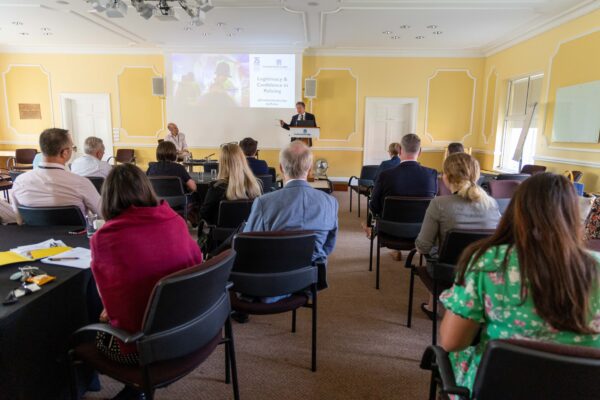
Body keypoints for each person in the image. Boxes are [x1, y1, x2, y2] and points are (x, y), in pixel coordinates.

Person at [439, 173, 600, 393]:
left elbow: (451, 342)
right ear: (573, 215)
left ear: (517, 211)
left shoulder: (490, 261)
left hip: (499, 387)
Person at [91, 164, 203, 400]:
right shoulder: (174, 219)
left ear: (108, 197)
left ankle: (122, 388)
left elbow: (111, 307)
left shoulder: (106, 237)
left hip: (143, 347)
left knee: (85, 323)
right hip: (193, 329)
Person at [242, 141, 338, 307]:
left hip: (272, 282)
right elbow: (328, 246)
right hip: (309, 279)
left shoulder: (263, 202)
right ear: (309, 169)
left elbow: (248, 247)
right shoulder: (330, 202)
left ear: (280, 168)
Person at [415, 153, 501, 319]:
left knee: (433, 254)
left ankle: (434, 307)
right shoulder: (492, 204)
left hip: (448, 273)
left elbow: (422, 246)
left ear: (447, 177)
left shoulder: (439, 204)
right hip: (484, 270)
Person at [10, 128, 101, 222]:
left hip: (34, 236)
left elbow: (18, 219)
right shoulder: (81, 183)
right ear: (65, 153)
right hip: (76, 235)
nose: (72, 150)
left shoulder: (20, 182)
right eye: (72, 148)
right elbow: (104, 214)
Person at [369, 133, 438, 216]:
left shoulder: (385, 175)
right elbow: (433, 204)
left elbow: (374, 206)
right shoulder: (432, 175)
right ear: (420, 152)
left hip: (389, 226)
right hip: (422, 227)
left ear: (399, 150)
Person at [199, 143, 262, 226]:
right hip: (247, 235)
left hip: (220, 236)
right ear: (242, 160)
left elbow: (204, 214)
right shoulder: (254, 186)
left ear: (222, 163)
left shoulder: (217, 187)